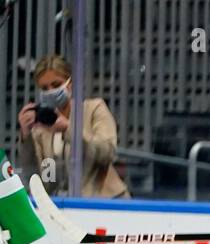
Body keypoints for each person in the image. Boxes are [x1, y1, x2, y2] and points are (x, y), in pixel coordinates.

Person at [16, 54, 128, 198]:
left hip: (104, 204)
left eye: (56, 85)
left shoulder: (93, 109)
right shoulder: (41, 126)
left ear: (70, 84)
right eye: (44, 88)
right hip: (62, 205)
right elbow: (37, 177)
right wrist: (26, 137)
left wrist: (69, 129)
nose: (50, 91)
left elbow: (107, 153)